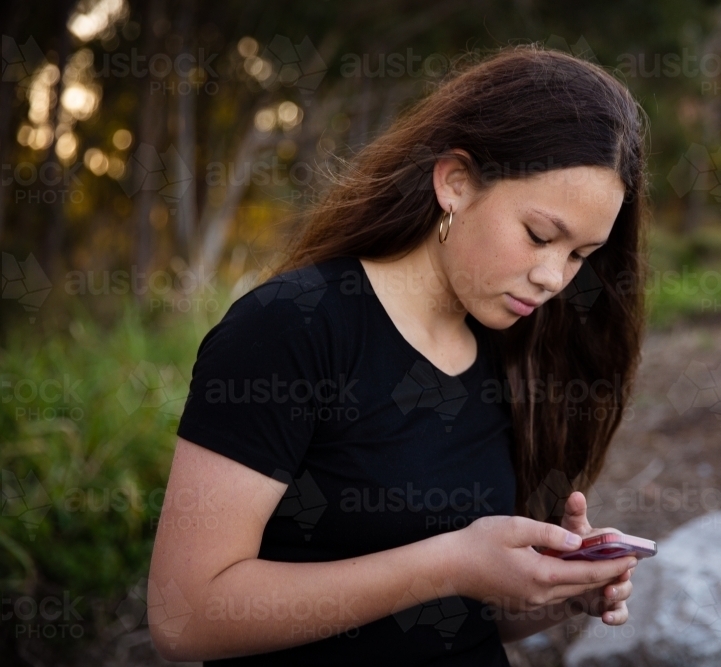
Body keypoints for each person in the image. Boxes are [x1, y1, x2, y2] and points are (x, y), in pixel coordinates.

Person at [148, 43, 650, 666]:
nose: (554, 277)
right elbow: (184, 616)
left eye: (580, 256)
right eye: (539, 236)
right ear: (455, 183)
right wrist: (449, 564)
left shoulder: (511, 348)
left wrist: (557, 590)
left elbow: (461, 618)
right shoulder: (291, 329)